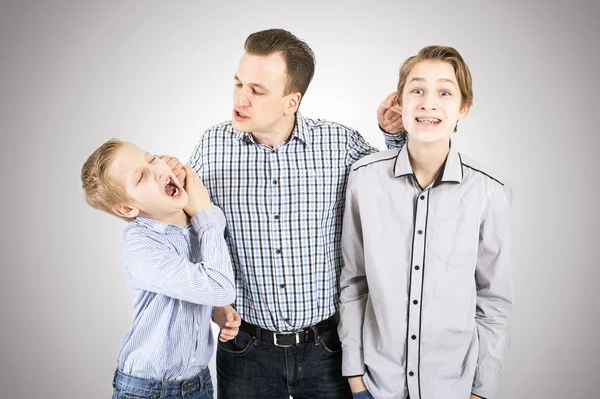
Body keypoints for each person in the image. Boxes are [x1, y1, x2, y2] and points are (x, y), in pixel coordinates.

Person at [164, 28, 407, 398]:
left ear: (291, 101)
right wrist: (215, 301)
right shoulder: (212, 146)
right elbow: (188, 229)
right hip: (246, 349)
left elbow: (395, 185)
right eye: (238, 83)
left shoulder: (339, 144)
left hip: (328, 348)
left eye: (257, 90)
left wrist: (394, 136)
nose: (239, 99)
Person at [338, 45, 514, 399]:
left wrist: (481, 389)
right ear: (399, 103)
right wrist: (356, 377)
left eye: (445, 92)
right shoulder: (365, 179)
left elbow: (493, 299)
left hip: (454, 387)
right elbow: (354, 282)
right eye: (417, 90)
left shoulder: (488, 192)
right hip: (377, 385)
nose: (429, 103)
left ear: (464, 107)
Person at [80, 139, 239, 399]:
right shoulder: (139, 245)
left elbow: (206, 287)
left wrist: (217, 311)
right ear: (128, 208)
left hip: (197, 383)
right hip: (148, 389)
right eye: (141, 177)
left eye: (152, 158)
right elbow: (220, 288)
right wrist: (202, 213)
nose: (157, 170)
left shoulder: (207, 220)